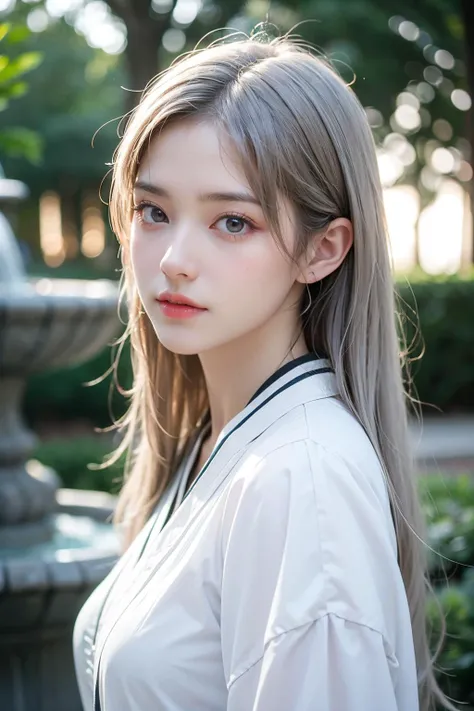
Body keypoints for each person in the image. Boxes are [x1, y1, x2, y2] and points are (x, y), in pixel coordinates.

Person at [73, 33, 454, 711]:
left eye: (232, 222)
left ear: (323, 248)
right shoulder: (219, 442)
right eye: (153, 211)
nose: (173, 260)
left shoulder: (299, 480)